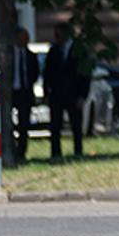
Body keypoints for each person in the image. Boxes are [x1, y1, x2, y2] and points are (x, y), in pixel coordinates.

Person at [43, 23, 94, 160]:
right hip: (57, 94)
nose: (56, 37)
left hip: (74, 94)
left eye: (59, 34)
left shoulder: (79, 51)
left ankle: (78, 151)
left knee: (76, 126)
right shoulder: (53, 51)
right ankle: (55, 153)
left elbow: (85, 76)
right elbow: (47, 74)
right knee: (55, 126)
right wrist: (46, 93)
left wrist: (82, 96)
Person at [9, 26, 38, 162]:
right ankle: (10, 148)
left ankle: (21, 152)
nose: (25, 41)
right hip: (11, 92)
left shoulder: (31, 55)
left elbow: (35, 74)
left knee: (24, 125)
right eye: (23, 38)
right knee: (7, 122)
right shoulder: (8, 55)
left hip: (25, 93)